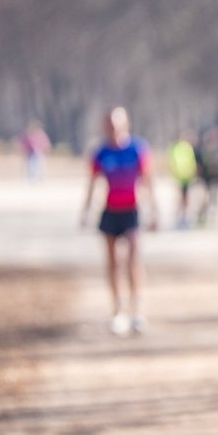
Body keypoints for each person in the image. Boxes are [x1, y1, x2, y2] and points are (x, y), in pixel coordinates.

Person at [80, 106, 158, 336]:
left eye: (117, 126)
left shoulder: (138, 149)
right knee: (113, 262)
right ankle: (117, 312)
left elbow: (148, 181)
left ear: (126, 125)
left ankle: (137, 312)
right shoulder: (100, 152)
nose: (113, 130)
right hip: (110, 211)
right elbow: (92, 184)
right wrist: (85, 212)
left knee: (133, 260)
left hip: (131, 211)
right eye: (109, 126)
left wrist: (154, 212)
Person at [167, 132, 198, 228]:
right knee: (179, 197)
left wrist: (193, 171)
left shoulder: (187, 148)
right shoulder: (174, 148)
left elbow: (192, 160)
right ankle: (179, 216)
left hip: (186, 176)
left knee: (185, 197)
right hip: (179, 176)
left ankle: (184, 216)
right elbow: (171, 161)